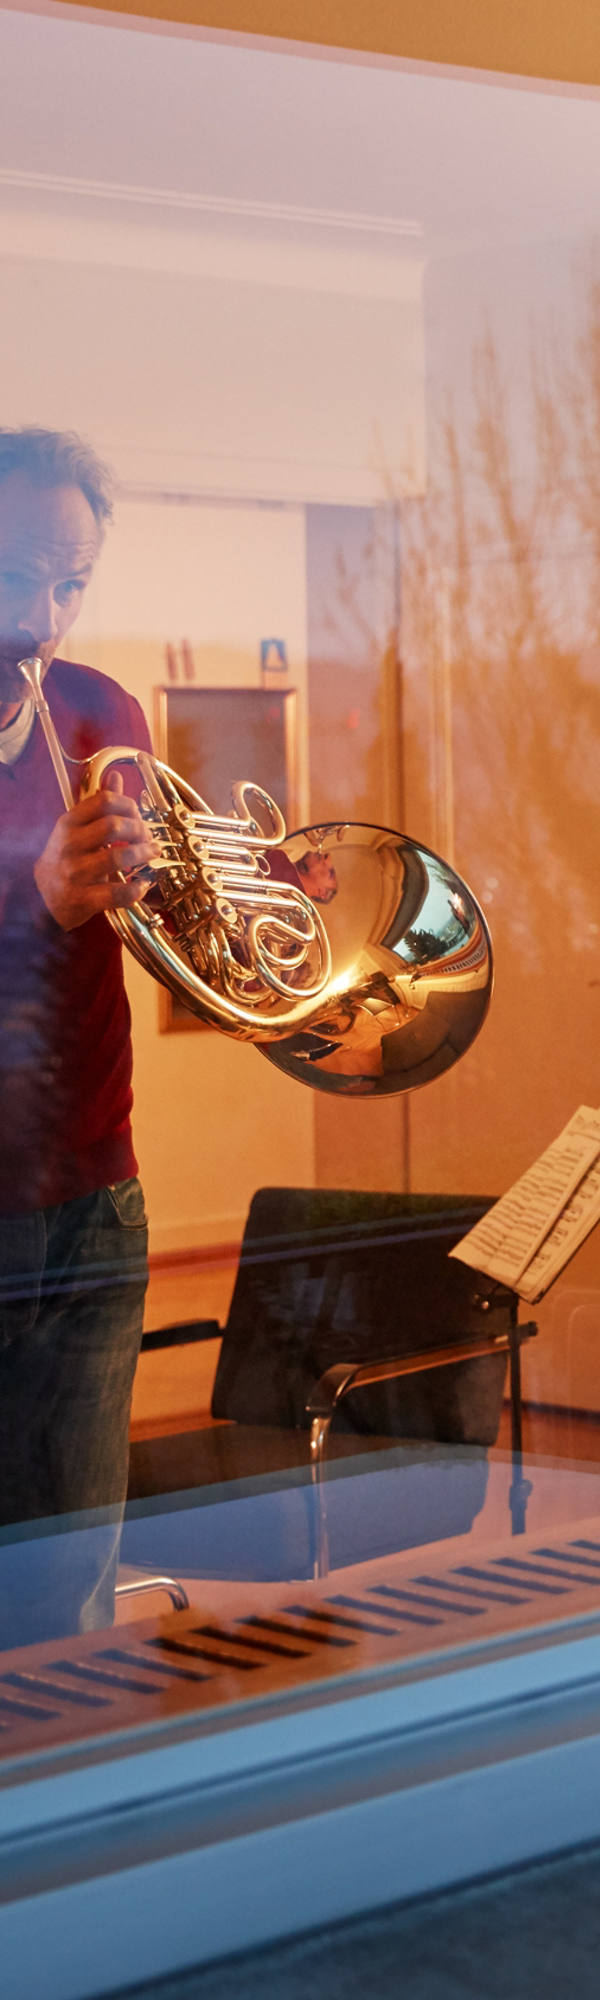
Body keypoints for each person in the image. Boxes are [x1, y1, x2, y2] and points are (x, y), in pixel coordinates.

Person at [0, 426, 158, 1649]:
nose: (40, 620)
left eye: (70, 583)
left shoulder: (101, 709)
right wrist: (32, 902)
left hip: (96, 1203)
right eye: (14, 577)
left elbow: (137, 922)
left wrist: (203, 888)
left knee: (70, 1613)